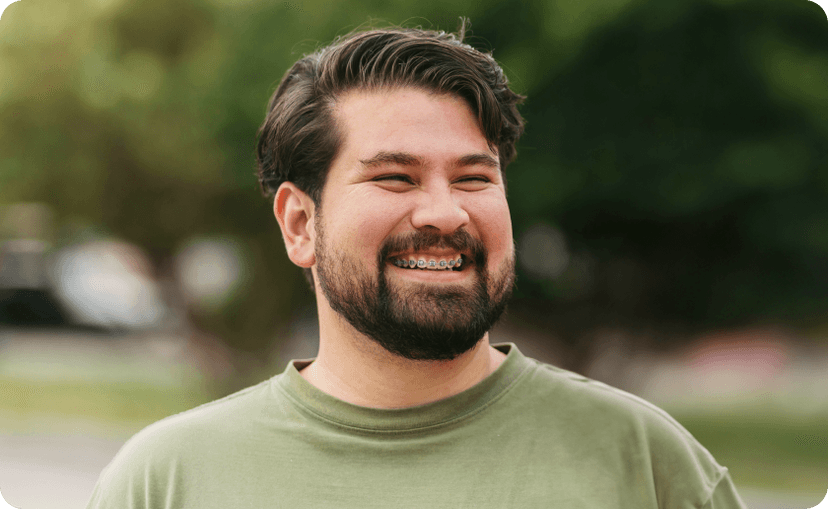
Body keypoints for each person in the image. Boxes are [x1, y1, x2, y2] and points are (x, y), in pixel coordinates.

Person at [87, 24, 746, 508]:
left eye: (474, 178)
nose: (446, 213)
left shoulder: (645, 466)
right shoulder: (168, 481)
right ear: (300, 224)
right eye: (396, 177)